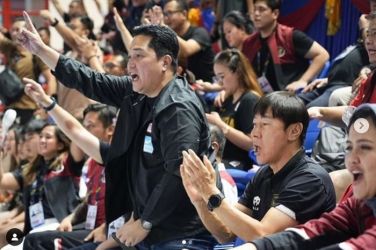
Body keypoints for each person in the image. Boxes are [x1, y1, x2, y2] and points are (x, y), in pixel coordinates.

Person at [18, 12, 214, 249]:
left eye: (139, 56)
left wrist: (145, 223)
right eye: (129, 56)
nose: (130, 63)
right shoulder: (138, 92)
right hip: (145, 228)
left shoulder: (178, 108)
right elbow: (91, 80)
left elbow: (178, 175)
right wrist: (40, 50)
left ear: (165, 62)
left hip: (177, 234)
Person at [181, 91, 336, 244]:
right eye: (255, 124)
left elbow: (264, 236)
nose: (255, 133)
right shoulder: (264, 174)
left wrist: (212, 193)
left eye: (264, 125)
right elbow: (225, 234)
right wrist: (200, 200)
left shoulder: (310, 179)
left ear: (294, 131)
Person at [234, 103, 376, 250]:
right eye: (349, 147)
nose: (351, 159)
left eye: (365, 147)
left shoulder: (311, 178)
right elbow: (313, 231)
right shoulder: (359, 202)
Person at [22, 103, 116, 250]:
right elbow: (89, 199)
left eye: (90, 126)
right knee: (30, 238)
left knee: (36, 241)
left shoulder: (119, 158)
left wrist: (105, 227)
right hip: (87, 226)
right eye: (83, 126)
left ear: (110, 129)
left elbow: (130, 204)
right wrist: (70, 218)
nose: (84, 131)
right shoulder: (91, 162)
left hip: (111, 230)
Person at [242, 0, 329, 93]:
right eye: (254, 9)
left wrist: (303, 81)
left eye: (261, 9)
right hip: (258, 96)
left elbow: (323, 55)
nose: (256, 14)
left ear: (275, 13)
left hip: (287, 96)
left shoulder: (290, 36)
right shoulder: (249, 42)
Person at [206, 49, 262, 170]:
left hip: (239, 163)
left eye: (222, 76)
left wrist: (220, 125)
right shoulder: (225, 98)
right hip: (220, 158)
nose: (220, 83)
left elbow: (252, 144)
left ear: (237, 72)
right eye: (217, 78)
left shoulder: (250, 100)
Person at [0, 19, 57, 124]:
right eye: (12, 30)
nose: (14, 33)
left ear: (27, 30)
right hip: (10, 106)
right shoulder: (11, 48)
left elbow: (51, 79)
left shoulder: (36, 52)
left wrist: (48, 106)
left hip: (29, 107)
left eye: (18, 30)